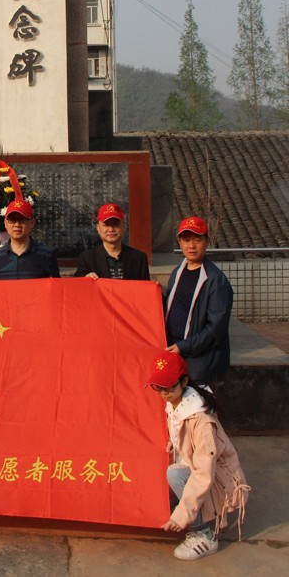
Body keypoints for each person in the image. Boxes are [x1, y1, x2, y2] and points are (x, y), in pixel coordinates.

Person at [146, 350, 249, 561]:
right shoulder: (176, 402)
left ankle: (204, 534)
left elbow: (204, 472)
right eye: (158, 387)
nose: (164, 392)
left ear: (184, 381)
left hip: (214, 479)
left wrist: (184, 513)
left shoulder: (201, 420)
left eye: (169, 387)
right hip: (192, 466)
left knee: (174, 475)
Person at [165, 216, 233, 385]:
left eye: (197, 239)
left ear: (207, 241)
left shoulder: (216, 280)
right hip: (175, 356)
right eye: (187, 240)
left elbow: (215, 329)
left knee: (199, 410)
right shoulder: (176, 273)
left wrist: (184, 346)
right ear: (180, 242)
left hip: (200, 363)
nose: (192, 246)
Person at [74, 202, 150, 280]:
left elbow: (146, 289)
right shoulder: (87, 259)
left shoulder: (139, 258)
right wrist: (85, 279)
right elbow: (76, 287)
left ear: (124, 226)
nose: (111, 229)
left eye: (115, 224)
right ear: (98, 228)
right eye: (106, 225)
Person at [0, 200, 60, 280]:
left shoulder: (46, 255)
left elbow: (56, 288)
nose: (17, 225)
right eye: (12, 220)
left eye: (22, 220)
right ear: (5, 223)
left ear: (32, 223)